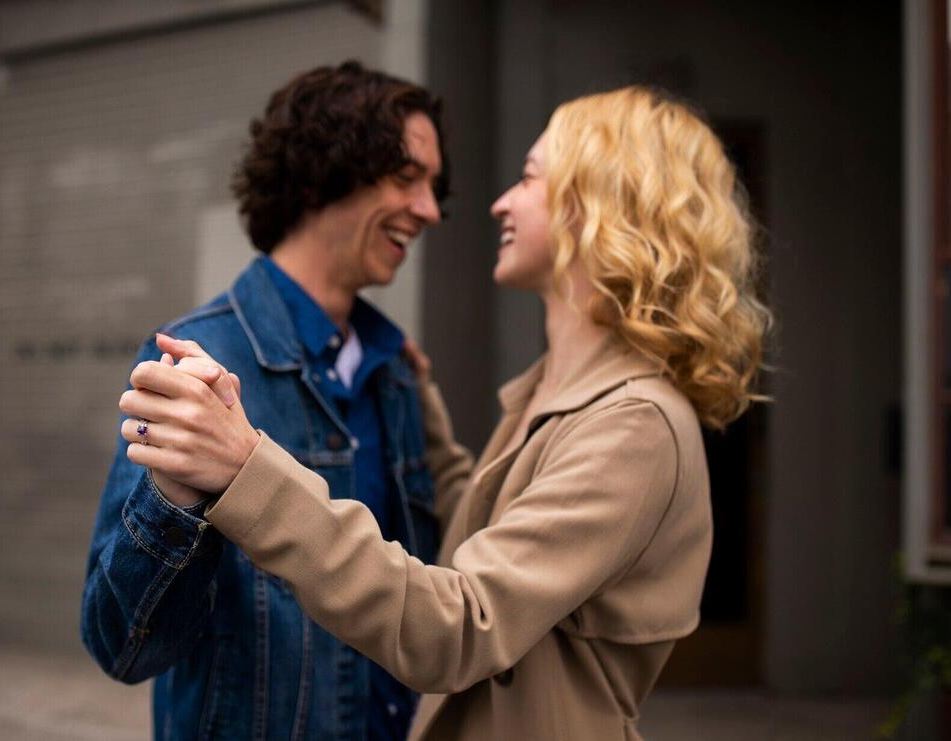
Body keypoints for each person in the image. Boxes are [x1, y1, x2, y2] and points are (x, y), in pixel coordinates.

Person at [122, 86, 772, 740]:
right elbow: (489, 531)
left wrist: (246, 470)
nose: (498, 203)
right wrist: (425, 415)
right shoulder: (557, 391)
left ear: (600, 205)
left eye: (527, 178)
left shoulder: (634, 424)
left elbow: (461, 625)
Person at [81, 61, 449, 740]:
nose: (430, 209)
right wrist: (174, 496)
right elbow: (121, 647)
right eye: (407, 178)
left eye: (433, 186)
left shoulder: (396, 371)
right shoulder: (195, 363)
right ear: (323, 172)